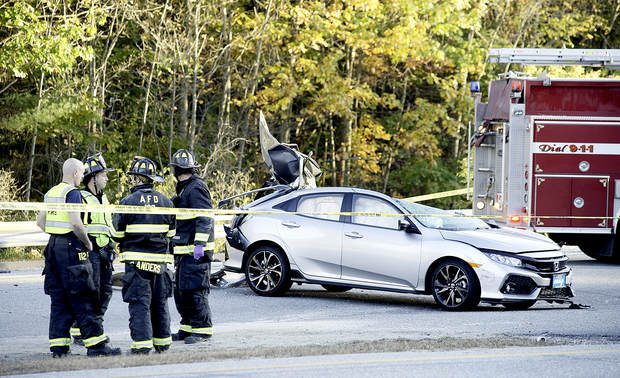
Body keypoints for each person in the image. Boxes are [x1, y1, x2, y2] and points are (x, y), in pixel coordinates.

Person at [36, 158, 121, 358]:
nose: (83, 177)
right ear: (75, 173)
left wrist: (56, 233)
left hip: (53, 248)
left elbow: (40, 221)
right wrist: (86, 241)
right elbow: (75, 222)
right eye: (82, 173)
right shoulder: (72, 193)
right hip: (71, 248)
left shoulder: (52, 192)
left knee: (59, 299)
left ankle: (59, 347)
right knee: (85, 295)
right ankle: (96, 345)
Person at [111, 156, 175, 354]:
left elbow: (116, 234)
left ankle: (142, 346)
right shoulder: (167, 202)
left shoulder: (127, 202)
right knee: (160, 303)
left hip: (137, 264)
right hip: (160, 263)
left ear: (138, 179)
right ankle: (163, 343)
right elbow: (171, 234)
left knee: (140, 304)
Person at [169, 149, 215, 344]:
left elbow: (204, 217)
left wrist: (199, 245)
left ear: (175, 170)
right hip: (184, 251)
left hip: (196, 252)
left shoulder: (196, 187)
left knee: (196, 290)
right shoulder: (184, 188)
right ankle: (187, 327)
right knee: (182, 292)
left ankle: (203, 329)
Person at [70, 154, 116, 345]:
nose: (106, 178)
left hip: (105, 250)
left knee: (106, 291)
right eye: (103, 174)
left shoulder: (103, 198)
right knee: (92, 292)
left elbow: (108, 225)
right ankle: (89, 331)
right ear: (93, 177)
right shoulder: (82, 198)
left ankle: (86, 327)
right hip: (90, 250)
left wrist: (113, 244)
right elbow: (77, 225)